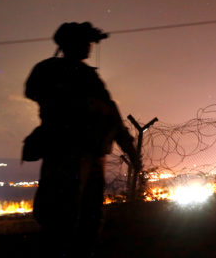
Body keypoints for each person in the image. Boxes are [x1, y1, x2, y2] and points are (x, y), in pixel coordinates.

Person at [25, 22, 140, 257]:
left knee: (89, 215)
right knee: (63, 216)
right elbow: (36, 92)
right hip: (66, 154)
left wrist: (130, 148)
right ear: (71, 44)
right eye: (84, 42)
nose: (88, 47)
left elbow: (111, 114)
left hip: (91, 154)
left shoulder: (86, 77)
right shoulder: (53, 72)